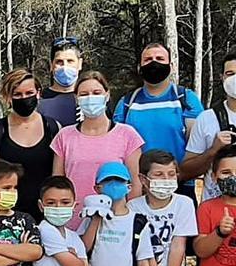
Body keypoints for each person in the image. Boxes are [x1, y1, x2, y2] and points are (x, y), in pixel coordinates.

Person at [51, 71, 144, 229]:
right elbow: (57, 183)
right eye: (84, 94)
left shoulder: (127, 135)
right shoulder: (64, 136)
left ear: (107, 95)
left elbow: (135, 185)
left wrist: (127, 219)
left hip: (114, 223)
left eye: (96, 93)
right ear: (76, 98)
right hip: (73, 223)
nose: (90, 98)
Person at [113, 43, 204, 202]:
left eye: (160, 58)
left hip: (179, 186)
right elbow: (117, 147)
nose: (154, 63)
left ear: (171, 65)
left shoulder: (186, 99)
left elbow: (197, 146)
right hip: (139, 188)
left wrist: (179, 174)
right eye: (148, 59)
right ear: (139, 66)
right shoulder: (127, 103)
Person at [0, 69, 60, 222]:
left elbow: (60, 176)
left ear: (38, 93)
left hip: (47, 217)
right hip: (6, 217)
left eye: (29, 93)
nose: (24, 98)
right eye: (17, 94)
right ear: (8, 97)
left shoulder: (53, 128)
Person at [182, 48, 236, 201]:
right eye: (230, 74)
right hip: (214, 214)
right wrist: (213, 150)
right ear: (222, 77)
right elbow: (186, 172)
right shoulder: (207, 119)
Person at [37, 37, 83, 127]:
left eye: (70, 61)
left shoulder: (92, 99)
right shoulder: (39, 100)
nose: (65, 66)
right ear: (51, 65)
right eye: (59, 62)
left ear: (79, 63)